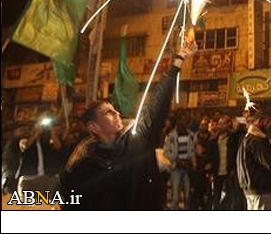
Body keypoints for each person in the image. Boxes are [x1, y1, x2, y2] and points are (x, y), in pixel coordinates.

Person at [58, 39, 198, 210]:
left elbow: (157, 104)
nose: (117, 114)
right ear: (93, 127)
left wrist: (178, 60)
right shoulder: (84, 164)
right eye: (108, 113)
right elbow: (70, 198)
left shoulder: (136, 141)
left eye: (115, 110)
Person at [236, 110, 271, 210]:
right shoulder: (257, 140)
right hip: (260, 188)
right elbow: (269, 162)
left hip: (251, 187)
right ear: (260, 121)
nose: (269, 125)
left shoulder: (248, 138)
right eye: (267, 122)